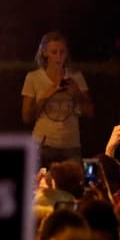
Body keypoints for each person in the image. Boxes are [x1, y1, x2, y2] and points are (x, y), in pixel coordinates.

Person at [22, 31, 93, 167]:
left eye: (62, 52)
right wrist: (46, 96)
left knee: (72, 187)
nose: (59, 57)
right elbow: (26, 117)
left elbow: (90, 112)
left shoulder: (75, 77)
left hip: (71, 145)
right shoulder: (34, 78)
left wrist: (76, 92)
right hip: (44, 145)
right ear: (44, 53)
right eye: (54, 52)